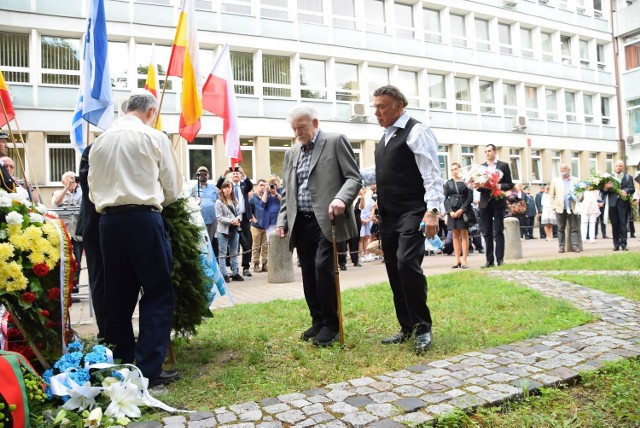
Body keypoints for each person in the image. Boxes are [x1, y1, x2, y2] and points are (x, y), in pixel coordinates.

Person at [88, 91, 182, 387]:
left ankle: (122, 362)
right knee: (157, 291)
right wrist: (152, 202)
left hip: (109, 222)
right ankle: (149, 368)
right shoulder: (153, 137)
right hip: (143, 218)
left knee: (117, 295)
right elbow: (173, 187)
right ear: (151, 111)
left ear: (125, 109)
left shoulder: (99, 142)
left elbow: (92, 191)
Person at [276, 104, 361, 347]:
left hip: (327, 220)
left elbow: (354, 178)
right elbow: (288, 191)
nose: (297, 133)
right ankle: (318, 320)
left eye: (301, 127)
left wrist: (341, 198)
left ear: (315, 123)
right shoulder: (291, 153)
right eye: (294, 129)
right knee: (308, 274)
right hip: (300, 222)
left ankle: (332, 326)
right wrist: (283, 220)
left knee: (323, 269)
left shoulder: (335, 141)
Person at [372, 85, 444, 354]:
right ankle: (407, 327)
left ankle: (423, 327)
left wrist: (432, 211)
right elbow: (384, 171)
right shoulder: (386, 136)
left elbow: (432, 174)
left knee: (406, 263)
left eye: (382, 106)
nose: (377, 112)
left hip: (414, 210)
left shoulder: (417, 131)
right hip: (389, 214)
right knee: (393, 266)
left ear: (399, 106)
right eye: (375, 107)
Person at [77, 144, 105, 339]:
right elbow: (89, 182)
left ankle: (116, 330)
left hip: (110, 226)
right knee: (100, 282)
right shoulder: (94, 150)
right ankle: (106, 331)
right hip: (96, 228)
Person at [478, 144, 513, 268]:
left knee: (498, 231)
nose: (487, 153)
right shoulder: (481, 167)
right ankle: (489, 260)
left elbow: (509, 184)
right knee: (487, 232)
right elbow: (477, 187)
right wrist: (480, 185)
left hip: (498, 201)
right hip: (484, 203)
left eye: (489, 151)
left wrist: (499, 186)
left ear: (495, 151)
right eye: (485, 151)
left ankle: (500, 259)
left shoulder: (503, 166)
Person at [217, 165, 253, 278]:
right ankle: (230, 270)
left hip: (243, 218)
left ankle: (245, 267)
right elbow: (220, 185)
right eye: (234, 173)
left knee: (246, 243)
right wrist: (225, 173)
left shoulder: (243, 185)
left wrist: (244, 174)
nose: (236, 174)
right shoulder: (228, 187)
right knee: (230, 248)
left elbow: (251, 185)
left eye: (238, 173)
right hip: (228, 223)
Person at [52, 170, 83, 288]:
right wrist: (66, 188)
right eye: (69, 178)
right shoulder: (57, 193)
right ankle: (65, 289)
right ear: (62, 181)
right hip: (64, 234)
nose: (72, 180)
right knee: (65, 263)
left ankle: (75, 288)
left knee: (77, 264)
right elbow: (56, 202)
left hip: (78, 234)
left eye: (74, 178)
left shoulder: (82, 192)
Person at [444, 162, 471, 269]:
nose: (454, 171)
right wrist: (449, 211)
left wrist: (462, 209)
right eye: (452, 169)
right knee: (454, 235)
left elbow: (470, 198)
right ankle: (457, 260)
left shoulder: (467, 182)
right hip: (452, 211)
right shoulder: (448, 183)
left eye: (456, 169)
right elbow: (445, 198)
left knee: (464, 235)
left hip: (463, 211)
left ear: (460, 169)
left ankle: (464, 260)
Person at [602, 160, 635, 251]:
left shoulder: (628, 177)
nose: (618, 167)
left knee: (623, 224)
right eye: (617, 166)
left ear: (623, 167)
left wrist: (626, 191)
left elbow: (632, 188)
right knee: (614, 224)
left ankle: (624, 244)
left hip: (624, 204)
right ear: (614, 167)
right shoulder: (608, 178)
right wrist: (605, 188)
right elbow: (603, 192)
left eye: (620, 166)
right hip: (612, 204)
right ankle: (616, 244)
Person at [548, 163, 581, 253]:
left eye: (565, 168)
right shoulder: (555, 180)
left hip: (572, 207)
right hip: (560, 208)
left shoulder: (576, 180)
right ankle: (561, 246)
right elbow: (551, 195)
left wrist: (581, 198)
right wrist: (554, 206)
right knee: (560, 228)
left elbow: (580, 193)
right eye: (562, 169)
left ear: (569, 170)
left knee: (574, 228)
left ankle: (575, 246)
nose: (563, 170)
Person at [216, 180, 243, 282]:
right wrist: (231, 220)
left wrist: (238, 219)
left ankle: (235, 272)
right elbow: (219, 217)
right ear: (222, 189)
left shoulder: (235, 201)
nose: (227, 189)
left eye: (229, 187)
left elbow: (240, 214)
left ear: (232, 189)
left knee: (234, 252)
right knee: (222, 253)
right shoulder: (219, 202)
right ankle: (224, 274)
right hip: (223, 230)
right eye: (225, 187)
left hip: (234, 230)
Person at [192, 166, 219, 255]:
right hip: (199, 222)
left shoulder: (214, 189)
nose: (203, 175)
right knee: (201, 245)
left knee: (211, 244)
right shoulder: (193, 189)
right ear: (197, 176)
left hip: (212, 222)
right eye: (200, 174)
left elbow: (219, 202)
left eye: (205, 174)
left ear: (208, 175)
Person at [359, 186, 376, 262]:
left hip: (368, 219)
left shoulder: (368, 197)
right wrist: (361, 220)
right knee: (361, 238)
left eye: (363, 188)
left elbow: (373, 207)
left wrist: (370, 218)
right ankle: (361, 254)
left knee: (366, 237)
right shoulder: (358, 198)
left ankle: (366, 253)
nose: (363, 190)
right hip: (360, 219)